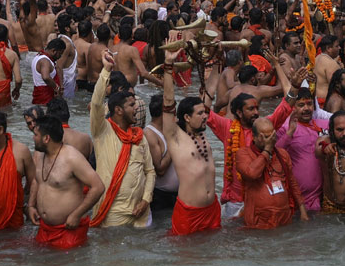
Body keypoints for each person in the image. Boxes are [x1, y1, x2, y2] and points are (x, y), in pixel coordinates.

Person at [88, 56, 155, 227]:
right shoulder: (102, 131)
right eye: (131, 105)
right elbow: (96, 103)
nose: (137, 108)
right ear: (118, 110)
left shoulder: (139, 137)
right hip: (112, 215)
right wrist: (106, 70)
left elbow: (150, 172)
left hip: (141, 214)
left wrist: (146, 200)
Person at [160, 61, 221, 235]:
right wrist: (169, 68)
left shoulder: (202, 132)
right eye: (200, 114)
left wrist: (217, 63)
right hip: (189, 213)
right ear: (186, 117)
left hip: (212, 209)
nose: (205, 116)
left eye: (205, 112)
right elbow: (168, 102)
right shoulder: (175, 137)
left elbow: (211, 91)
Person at [29, 113, 105, 249]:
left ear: (46, 138)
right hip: (44, 228)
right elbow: (37, 179)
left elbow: (98, 187)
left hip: (69, 231)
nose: (33, 138)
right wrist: (31, 205)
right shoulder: (39, 154)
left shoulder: (72, 158)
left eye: (35, 135)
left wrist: (77, 214)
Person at [0, 109, 36, 231]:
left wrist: (27, 205)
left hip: (15, 222)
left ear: (0, 130)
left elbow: (34, 183)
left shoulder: (21, 151)